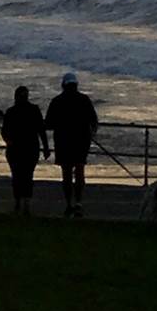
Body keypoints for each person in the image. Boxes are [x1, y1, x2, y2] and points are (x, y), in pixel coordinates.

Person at [44, 73, 99, 217]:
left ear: (63, 85)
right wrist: (91, 133)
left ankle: (69, 204)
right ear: (76, 85)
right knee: (79, 170)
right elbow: (94, 121)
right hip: (81, 140)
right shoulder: (84, 99)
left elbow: (48, 123)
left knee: (67, 173)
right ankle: (79, 203)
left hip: (63, 141)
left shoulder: (57, 101)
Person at [0, 85, 48, 216]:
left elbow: (4, 131)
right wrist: (45, 148)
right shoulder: (33, 110)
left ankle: (19, 202)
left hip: (17, 148)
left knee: (17, 176)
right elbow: (41, 130)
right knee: (27, 175)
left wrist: (8, 140)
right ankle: (25, 202)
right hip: (30, 148)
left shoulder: (11, 111)